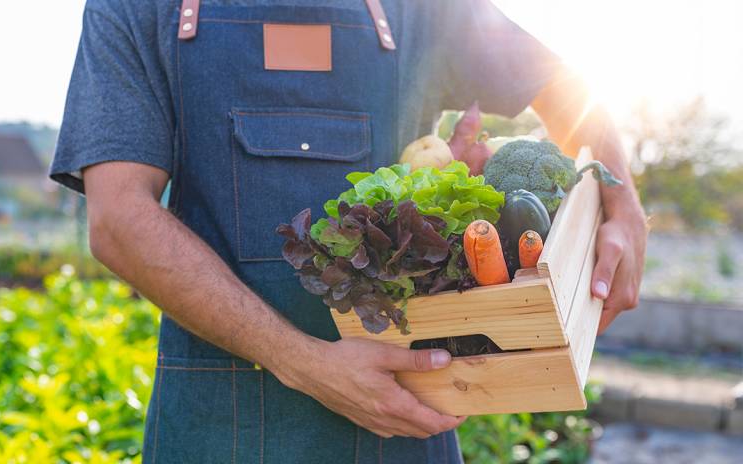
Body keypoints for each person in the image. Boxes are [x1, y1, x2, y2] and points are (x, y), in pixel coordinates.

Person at [50, 0, 647, 462]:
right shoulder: (137, 7)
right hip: (217, 423)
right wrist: (304, 363)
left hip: (407, 418)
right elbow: (119, 219)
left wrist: (622, 204)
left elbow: (564, 84)